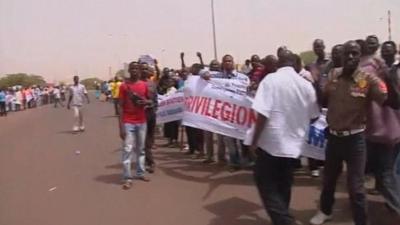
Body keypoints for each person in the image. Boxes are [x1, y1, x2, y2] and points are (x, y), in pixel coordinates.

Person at [310, 41, 390, 225]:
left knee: (356, 187)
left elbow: (386, 98)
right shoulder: (333, 75)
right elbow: (324, 99)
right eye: (348, 53)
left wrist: (387, 78)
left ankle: (360, 221)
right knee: (328, 180)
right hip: (334, 138)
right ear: (342, 56)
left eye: (355, 53)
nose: (351, 57)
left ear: (360, 56)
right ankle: (325, 211)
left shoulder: (369, 79)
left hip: (355, 140)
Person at [248, 50, 319, 225]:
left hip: (271, 144)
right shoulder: (305, 85)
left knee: (265, 182)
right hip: (294, 145)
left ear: (279, 63)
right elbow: (314, 115)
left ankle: (285, 221)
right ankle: (282, 217)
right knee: (284, 184)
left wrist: (254, 141)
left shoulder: (270, 80)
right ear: (296, 65)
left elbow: (263, 113)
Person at [363, 40, 400, 213]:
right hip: (389, 130)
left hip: (382, 131)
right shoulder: (386, 70)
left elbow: (357, 95)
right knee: (387, 172)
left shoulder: (366, 73)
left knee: (386, 174)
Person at [203, 54, 249, 171]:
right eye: (225, 61)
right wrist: (205, 74)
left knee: (243, 139)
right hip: (226, 114)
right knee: (229, 140)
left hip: (240, 113)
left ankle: (246, 161)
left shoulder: (242, 78)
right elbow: (201, 73)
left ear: (233, 62)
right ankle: (234, 163)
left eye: (230, 61)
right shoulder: (217, 77)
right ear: (222, 63)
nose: (228, 63)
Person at [118, 61, 152, 189]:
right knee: (127, 150)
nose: (134, 71)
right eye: (132, 69)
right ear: (129, 71)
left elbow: (150, 101)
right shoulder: (123, 86)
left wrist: (145, 102)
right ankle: (127, 177)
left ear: (139, 70)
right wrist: (121, 127)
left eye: (136, 68)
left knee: (141, 149)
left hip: (142, 121)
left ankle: (140, 172)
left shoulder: (144, 85)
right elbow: (120, 106)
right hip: (128, 122)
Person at [140, 61, 158, 173]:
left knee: (150, 139)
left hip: (151, 114)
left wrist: (153, 105)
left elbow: (155, 99)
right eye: (142, 69)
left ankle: (147, 158)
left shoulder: (152, 83)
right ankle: (151, 162)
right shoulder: (136, 84)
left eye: (146, 69)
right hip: (140, 114)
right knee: (144, 139)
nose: (144, 71)